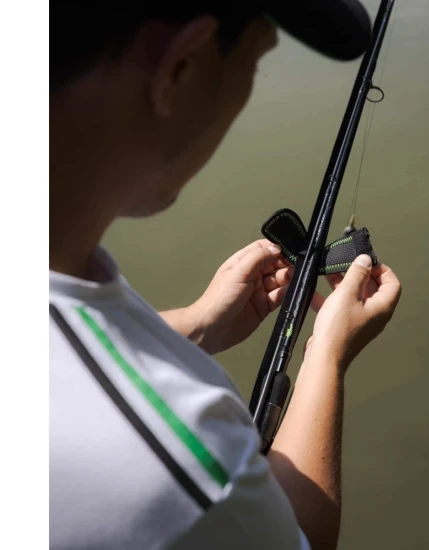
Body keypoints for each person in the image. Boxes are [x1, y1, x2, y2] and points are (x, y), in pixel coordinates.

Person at [49, 2, 402, 549]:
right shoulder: (176, 460)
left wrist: (195, 327)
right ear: (180, 66)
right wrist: (328, 354)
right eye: (255, 63)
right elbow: (298, 537)